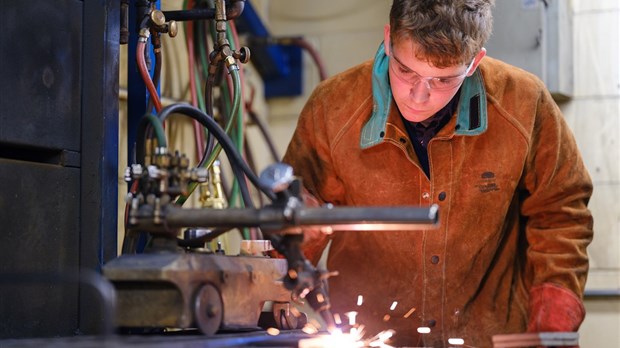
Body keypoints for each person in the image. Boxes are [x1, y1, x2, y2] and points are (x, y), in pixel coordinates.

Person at [281, 0, 594, 346]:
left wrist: (553, 318)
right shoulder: (333, 108)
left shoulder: (524, 104)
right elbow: (292, 222)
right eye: (406, 71)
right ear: (388, 40)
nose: (419, 96)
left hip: (487, 336)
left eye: (443, 80)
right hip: (367, 336)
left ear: (474, 62)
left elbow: (560, 215)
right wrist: (278, 288)